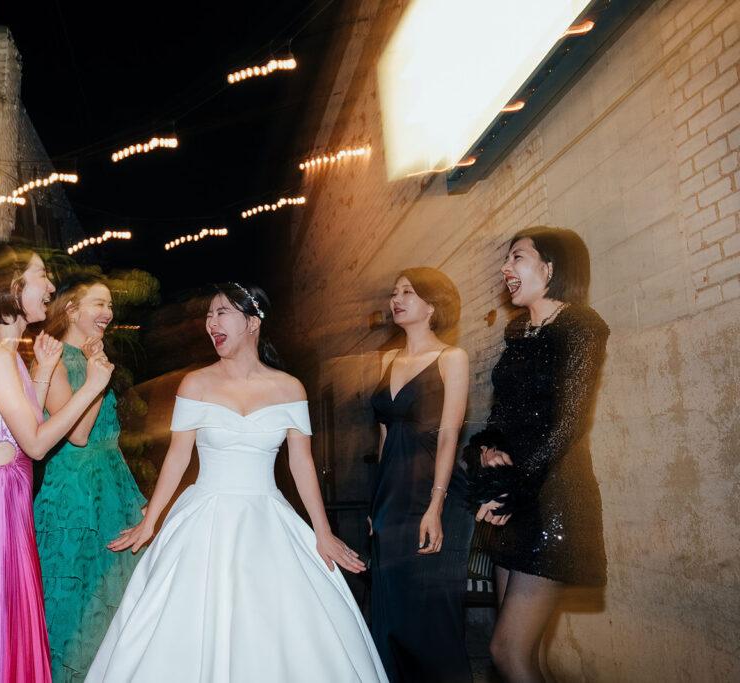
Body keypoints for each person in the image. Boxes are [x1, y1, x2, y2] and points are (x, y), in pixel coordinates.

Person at [85, 283, 387, 683]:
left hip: (268, 517)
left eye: (222, 312)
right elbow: (178, 458)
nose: (211, 323)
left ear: (253, 321)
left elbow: (301, 464)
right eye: (209, 315)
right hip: (204, 516)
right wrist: (151, 521)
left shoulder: (289, 388)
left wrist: (323, 532)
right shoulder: (195, 383)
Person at [0, 243, 114, 683]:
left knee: (4, 616)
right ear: (12, 286)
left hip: (4, 497)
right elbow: (33, 442)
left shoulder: (5, 350)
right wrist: (92, 387)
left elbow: (20, 423)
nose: (51, 286)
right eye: (41, 276)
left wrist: (45, 370)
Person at [470, 226, 608, 682]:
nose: (505, 269)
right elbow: (504, 415)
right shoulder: (518, 331)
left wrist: (517, 484)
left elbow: (570, 422)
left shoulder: (582, 325)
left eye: (517, 258)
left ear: (550, 267)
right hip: (517, 499)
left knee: (507, 650)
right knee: (521, 657)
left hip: (554, 498)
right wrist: (490, 449)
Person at [33, 273, 147, 682]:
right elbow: (78, 435)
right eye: (99, 303)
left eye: (110, 306)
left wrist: (133, 494)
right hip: (74, 494)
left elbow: (108, 439)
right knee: (75, 598)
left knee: (115, 593)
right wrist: (98, 379)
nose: (109, 313)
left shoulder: (92, 358)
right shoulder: (55, 358)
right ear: (71, 309)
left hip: (111, 487)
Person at [369, 267, 473, 682]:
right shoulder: (386, 358)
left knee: (433, 618)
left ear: (432, 305)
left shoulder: (452, 358)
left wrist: (436, 504)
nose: (397, 298)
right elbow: (382, 440)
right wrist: (373, 506)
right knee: (391, 615)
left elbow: (449, 436)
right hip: (390, 501)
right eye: (395, 292)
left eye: (408, 292)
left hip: (436, 496)